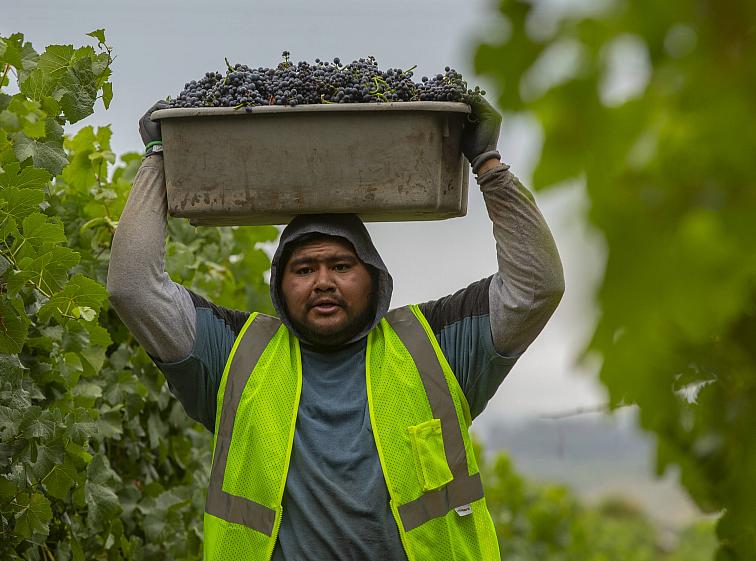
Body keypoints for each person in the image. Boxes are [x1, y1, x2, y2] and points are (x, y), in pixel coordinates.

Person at [106, 97, 564, 561]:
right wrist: (159, 160)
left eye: (341, 265)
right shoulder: (231, 356)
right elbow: (132, 287)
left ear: (374, 276)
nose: (323, 281)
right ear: (280, 286)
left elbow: (536, 286)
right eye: (304, 269)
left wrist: (488, 166)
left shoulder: (437, 345)